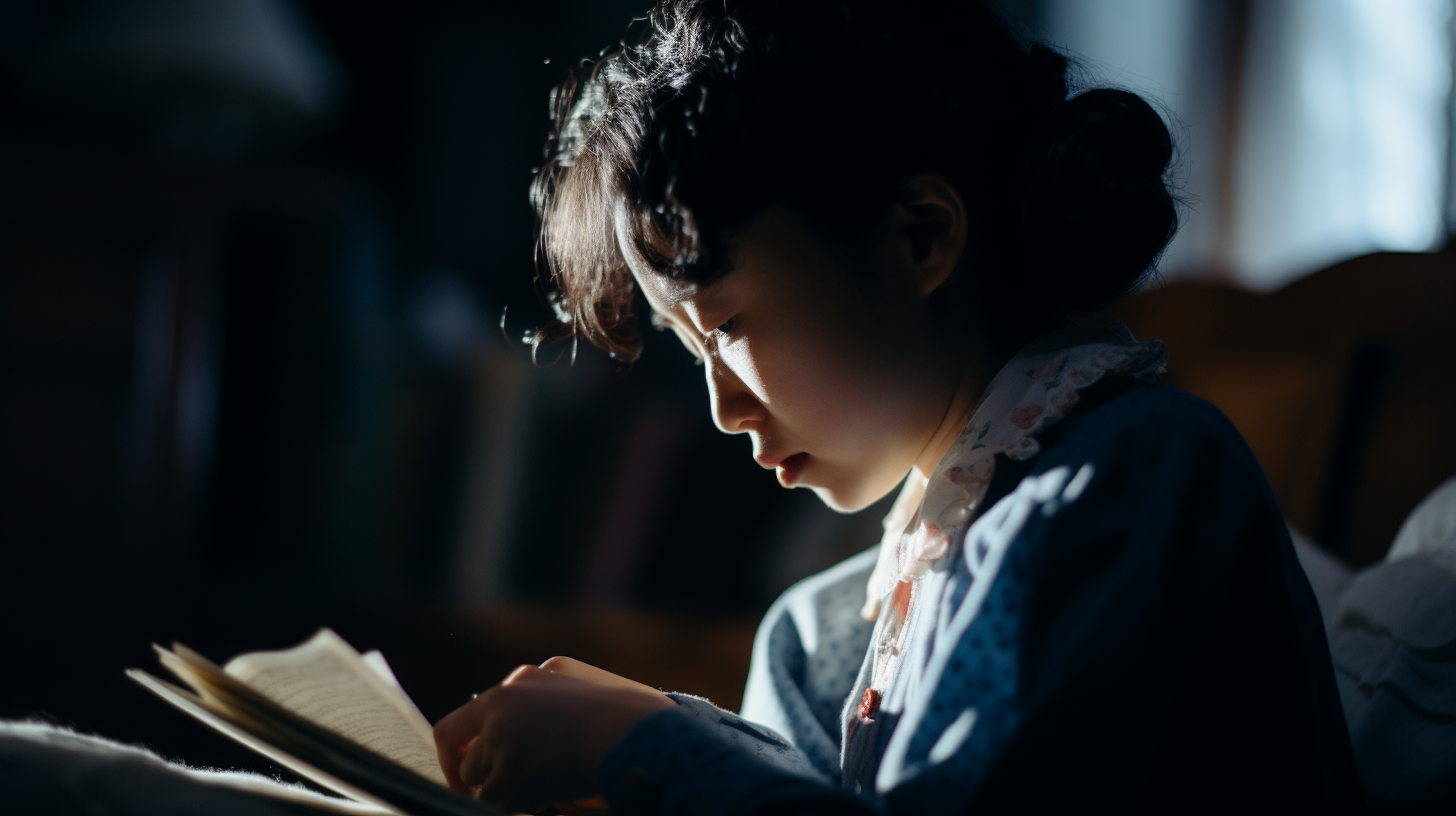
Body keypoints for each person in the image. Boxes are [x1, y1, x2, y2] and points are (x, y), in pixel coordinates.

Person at [433, 1, 1362, 812]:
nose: (721, 409)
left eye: (726, 327)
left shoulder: (1134, 478)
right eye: (691, 349)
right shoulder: (828, 632)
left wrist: (635, 745)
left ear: (921, 236)